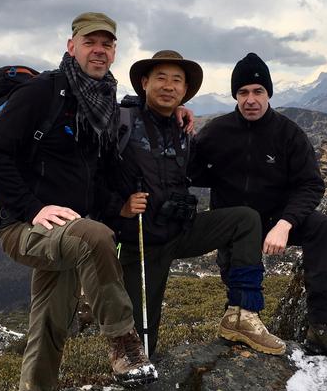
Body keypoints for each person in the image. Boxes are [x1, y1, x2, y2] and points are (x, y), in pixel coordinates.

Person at [0, 12, 157, 391]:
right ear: (70, 46)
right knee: (96, 238)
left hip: (69, 231)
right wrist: (32, 208)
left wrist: (119, 205)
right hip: (24, 227)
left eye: (107, 44)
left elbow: (100, 173)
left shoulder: (102, 102)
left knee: (50, 321)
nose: (99, 50)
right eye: (90, 42)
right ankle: (123, 344)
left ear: (114, 52)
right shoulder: (43, 93)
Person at [97, 50, 286, 358]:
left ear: (185, 91)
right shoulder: (120, 122)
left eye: (177, 80)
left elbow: (201, 168)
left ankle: (243, 315)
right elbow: (89, 175)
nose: (169, 86)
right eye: (161, 78)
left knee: (246, 220)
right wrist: (119, 205)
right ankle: (136, 384)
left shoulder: (182, 129)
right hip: (140, 242)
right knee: (142, 337)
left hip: (180, 230)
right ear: (144, 82)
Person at [191, 52, 327, 365]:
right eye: (243, 92)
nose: (251, 100)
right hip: (235, 224)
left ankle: (324, 325)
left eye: (258, 91)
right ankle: (242, 320)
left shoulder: (288, 134)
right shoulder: (216, 132)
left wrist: (285, 223)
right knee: (239, 294)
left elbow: (311, 185)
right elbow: (190, 171)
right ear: (235, 96)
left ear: (268, 93)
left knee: (320, 227)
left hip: (275, 219)